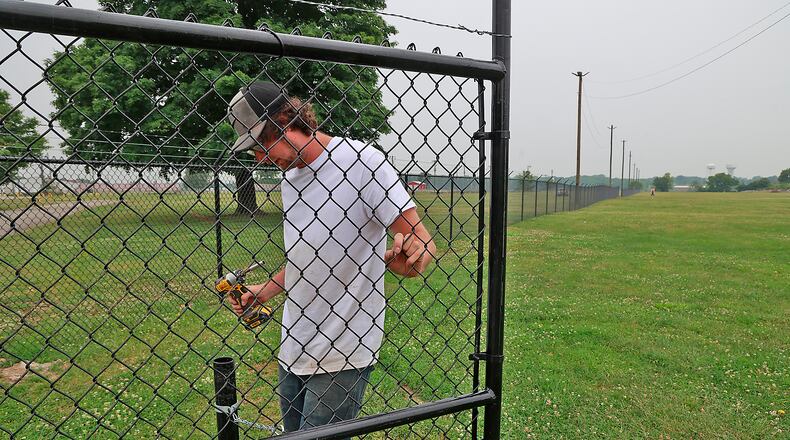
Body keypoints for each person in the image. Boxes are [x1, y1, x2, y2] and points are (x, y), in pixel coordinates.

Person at [225, 81, 436, 434]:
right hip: (294, 343)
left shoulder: (362, 162)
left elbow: (420, 239)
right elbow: (306, 257)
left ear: (286, 119)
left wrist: (412, 258)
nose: (260, 158)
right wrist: (265, 291)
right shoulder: (289, 179)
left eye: (262, 143)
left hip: (344, 346)